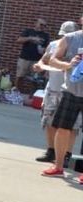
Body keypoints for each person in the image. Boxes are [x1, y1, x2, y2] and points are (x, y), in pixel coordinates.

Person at [42, 27, 83, 180]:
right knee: (63, 129)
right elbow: (52, 60)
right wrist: (68, 64)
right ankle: (58, 166)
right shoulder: (70, 38)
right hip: (71, 91)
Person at [35, 21, 79, 162]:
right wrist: (39, 66)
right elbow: (43, 61)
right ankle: (51, 151)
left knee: (72, 125)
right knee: (49, 120)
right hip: (53, 88)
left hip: (71, 90)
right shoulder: (54, 44)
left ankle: (66, 155)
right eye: (63, 34)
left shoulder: (78, 44)